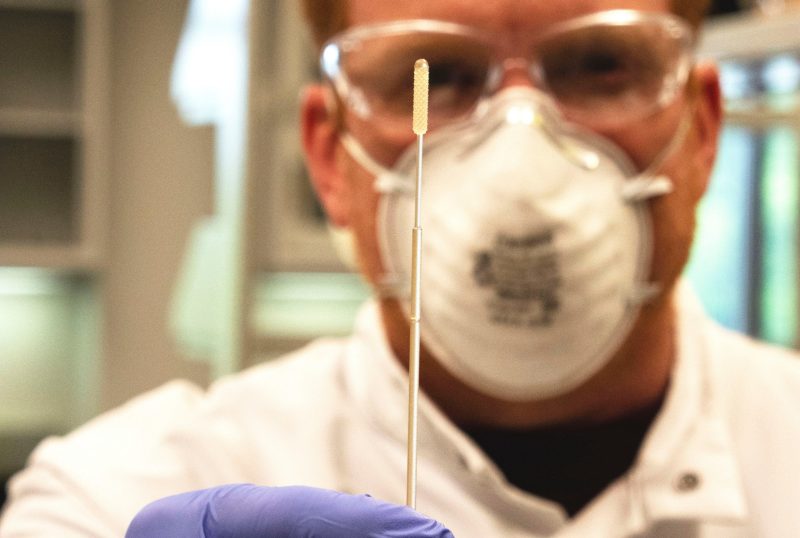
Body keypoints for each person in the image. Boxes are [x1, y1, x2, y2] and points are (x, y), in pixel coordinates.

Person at [3, 0, 800, 536]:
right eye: (441, 77)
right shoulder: (112, 493)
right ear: (327, 154)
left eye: (598, 65)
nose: (519, 150)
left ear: (701, 131)